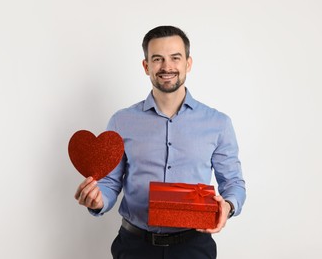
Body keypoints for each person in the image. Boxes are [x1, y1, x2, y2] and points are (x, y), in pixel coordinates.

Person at [74, 25, 246, 259]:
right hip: (134, 247)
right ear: (146, 66)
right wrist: (97, 200)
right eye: (158, 59)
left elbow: (233, 182)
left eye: (175, 58)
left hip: (194, 247)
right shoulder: (121, 121)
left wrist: (228, 206)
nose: (167, 67)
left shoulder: (218, 123)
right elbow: (111, 182)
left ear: (188, 63)